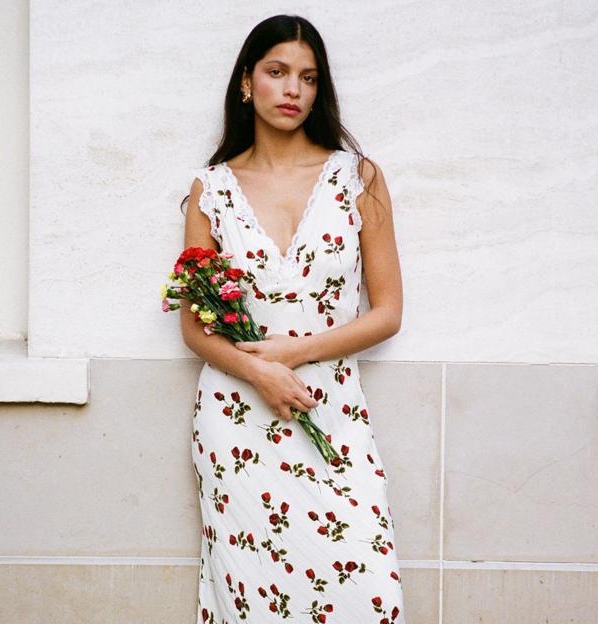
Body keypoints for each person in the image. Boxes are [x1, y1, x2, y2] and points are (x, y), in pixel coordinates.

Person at [181, 14, 405, 623]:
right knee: (252, 594)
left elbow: (387, 313)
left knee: (366, 590)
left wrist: (292, 356)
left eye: (308, 77)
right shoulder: (212, 190)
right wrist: (260, 373)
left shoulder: (356, 178)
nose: (293, 90)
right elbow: (196, 326)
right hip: (238, 416)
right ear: (247, 84)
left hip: (331, 405)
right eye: (277, 72)